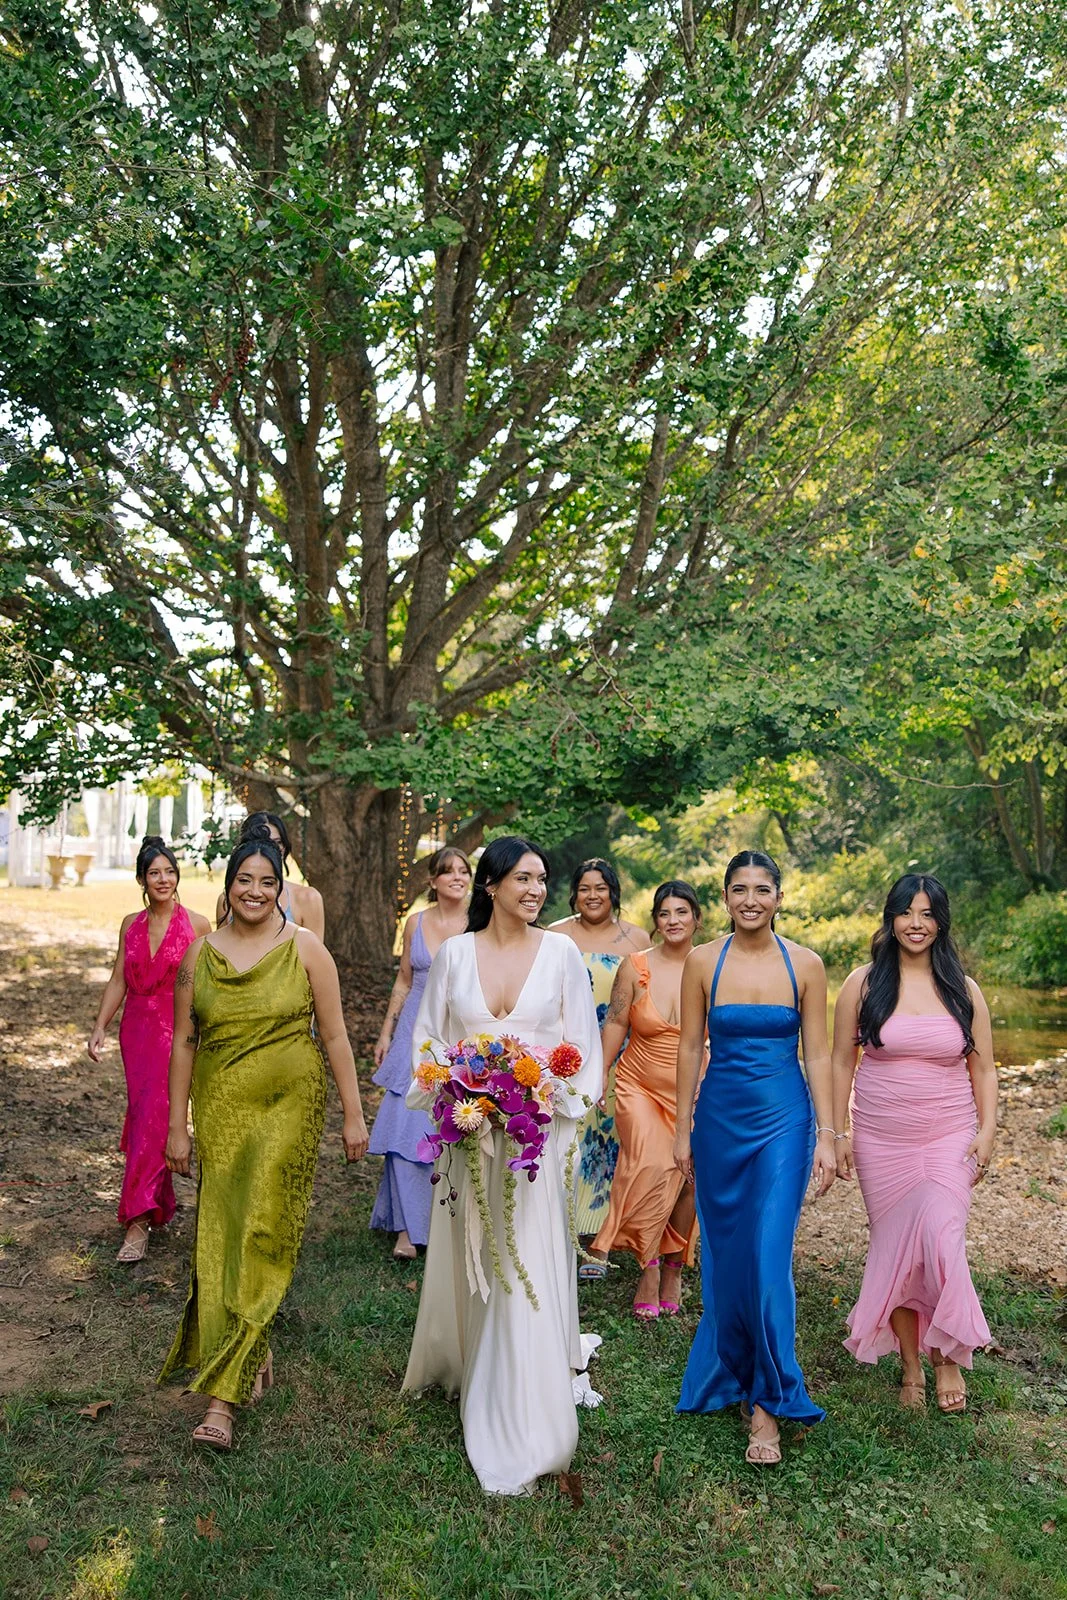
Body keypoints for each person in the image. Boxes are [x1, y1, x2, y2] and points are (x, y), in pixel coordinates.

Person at [402, 835, 603, 1496]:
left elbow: (581, 1047)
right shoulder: (456, 954)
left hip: (537, 1139)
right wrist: (459, 1096)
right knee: (478, 1255)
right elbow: (429, 1041)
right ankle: (469, 1358)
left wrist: (544, 1094)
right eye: (521, 879)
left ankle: (523, 1415)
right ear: (489, 885)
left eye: (542, 879)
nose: (535, 890)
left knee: (522, 1260)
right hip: (470, 1134)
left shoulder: (563, 954)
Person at [161, 836, 369, 1450]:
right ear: (227, 886)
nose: (255, 891)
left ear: (282, 887)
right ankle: (254, 1342)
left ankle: (220, 1402)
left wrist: (354, 1117)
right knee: (221, 1234)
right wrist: (178, 1124)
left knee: (262, 1228)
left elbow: (335, 1038)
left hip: (290, 1104)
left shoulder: (306, 951)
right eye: (243, 880)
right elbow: (183, 1043)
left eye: (267, 881)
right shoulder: (198, 957)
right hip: (222, 1107)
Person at [674, 850, 836, 1466]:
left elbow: (817, 1054)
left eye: (761, 889)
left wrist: (828, 1132)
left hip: (785, 1124)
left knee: (769, 1256)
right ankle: (735, 1370)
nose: (750, 900)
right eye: (738, 889)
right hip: (718, 1121)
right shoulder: (700, 962)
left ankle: (768, 1402)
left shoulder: (808, 966)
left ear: (779, 897)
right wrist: (683, 1127)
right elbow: (691, 1047)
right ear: (723, 897)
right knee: (725, 1253)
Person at [831, 873, 996, 1414]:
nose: (916, 924)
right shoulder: (863, 983)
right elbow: (839, 1062)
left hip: (949, 1134)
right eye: (907, 912)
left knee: (942, 1241)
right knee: (898, 1251)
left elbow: (985, 1067)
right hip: (881, 1139)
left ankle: (945, 1354)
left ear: (941, 921)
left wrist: (988, 1128)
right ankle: (909, 1364)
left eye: (927, 914)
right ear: (891, 917)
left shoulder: (962, 989)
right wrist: (839, 1132)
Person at [87, 836, 211, 1263]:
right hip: (137, 1031)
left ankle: (137, 1221)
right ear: (142, 879)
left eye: (170, 871)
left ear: (178, 877)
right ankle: (157, 1206)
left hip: (176, 1033)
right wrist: (101, 1025)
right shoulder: (130, 924)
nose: (163, 879)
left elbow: (208, 989)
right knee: (147, 1118)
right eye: (154, 872)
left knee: (155, 1118)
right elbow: (119, 978)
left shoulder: (197, 924)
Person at [585, 880, 702, 1317]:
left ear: (697, 918)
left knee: (689, 1177)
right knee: (653, 1163)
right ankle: (648, 1266)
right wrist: (598, 1074)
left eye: (681, 913)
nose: (672, 921)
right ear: (655, 922)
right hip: (639, 1085)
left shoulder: (710, 965)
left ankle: (675, 1267)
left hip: (696, 1090)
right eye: (664, 914)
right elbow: (616, 1022)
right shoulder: (635, 966)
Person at [369, 845, 472, 1259]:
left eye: (463, 871)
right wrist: (385, 1032)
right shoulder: (416, 922)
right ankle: (408, 1230)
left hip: (458, 1032)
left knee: (449, 1126)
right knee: (403, 1126)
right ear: (433, 881)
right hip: (414, 1029)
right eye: (447, 872)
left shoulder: (479, 922)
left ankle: (447, 1222)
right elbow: (403, 981)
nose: (457, 877)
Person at [549, 858, 651, 1262]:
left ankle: (601, 1239)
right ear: (574, 893)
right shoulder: (556, 936)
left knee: (611, 1142)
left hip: (622, 1053)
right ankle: (560, 1229)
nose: (593, 896)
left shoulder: (636, 939)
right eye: (585, 888)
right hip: (566, 1053)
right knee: (567, 1136)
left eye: (601, 888)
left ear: (613, 892)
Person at [214, 811, 324, 939]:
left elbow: (314, 955)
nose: (269, 849)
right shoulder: (227, 901)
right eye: (263, 841)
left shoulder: (308, 898)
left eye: (277, 843)